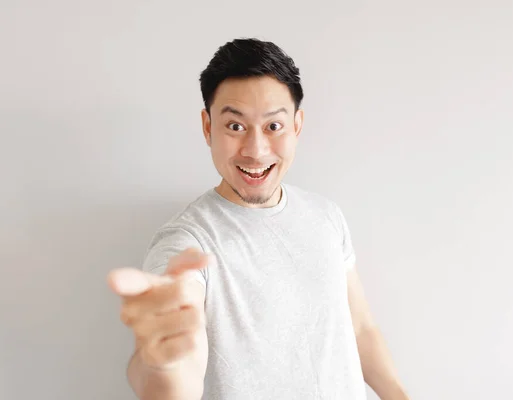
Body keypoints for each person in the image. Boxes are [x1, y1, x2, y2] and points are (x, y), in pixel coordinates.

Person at [107, 38, 410, 400]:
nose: (255, 150)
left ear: (297, 125)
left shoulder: (326, 216)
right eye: (235, 127)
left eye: (273, 127)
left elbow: (360, 328)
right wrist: (161, 366)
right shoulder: (187, 242)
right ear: (208, 127)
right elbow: (174, 372)